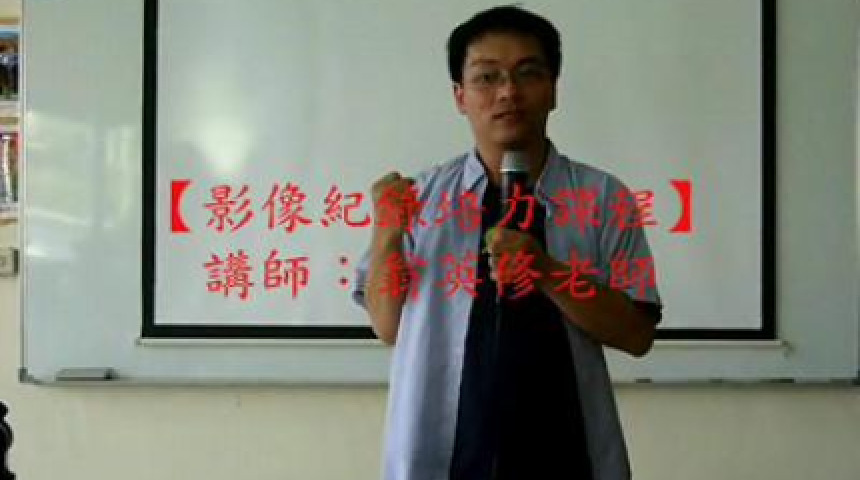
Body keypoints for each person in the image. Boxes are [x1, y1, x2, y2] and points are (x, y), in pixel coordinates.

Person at [353, 6, 662, 480]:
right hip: (444, 456)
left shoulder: (602, 197)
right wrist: (387, 233)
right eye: (486, 77)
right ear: (460, 96)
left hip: (569, 454)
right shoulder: (422, 198)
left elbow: (636, 335)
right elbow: (387, 324)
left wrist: (547, 272)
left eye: (527, 73)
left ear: (553, 89)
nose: (508, 93)